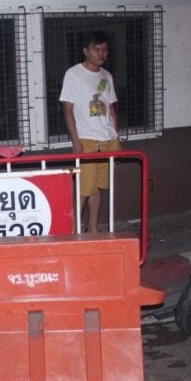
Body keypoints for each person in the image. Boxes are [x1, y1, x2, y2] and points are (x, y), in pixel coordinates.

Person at [59, 31, 120, 233]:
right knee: (84, 189)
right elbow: (67, 110)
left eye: (105, 49)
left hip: (107, 138)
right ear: (85, 51)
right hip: (87, 139)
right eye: (97, 49)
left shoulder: (106, 76)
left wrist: (116, 136)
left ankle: (93, 229)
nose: (101, 53)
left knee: (99, 187)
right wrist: (76, 142)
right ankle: (72, 231)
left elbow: (111, 108)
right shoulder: (73, 74)